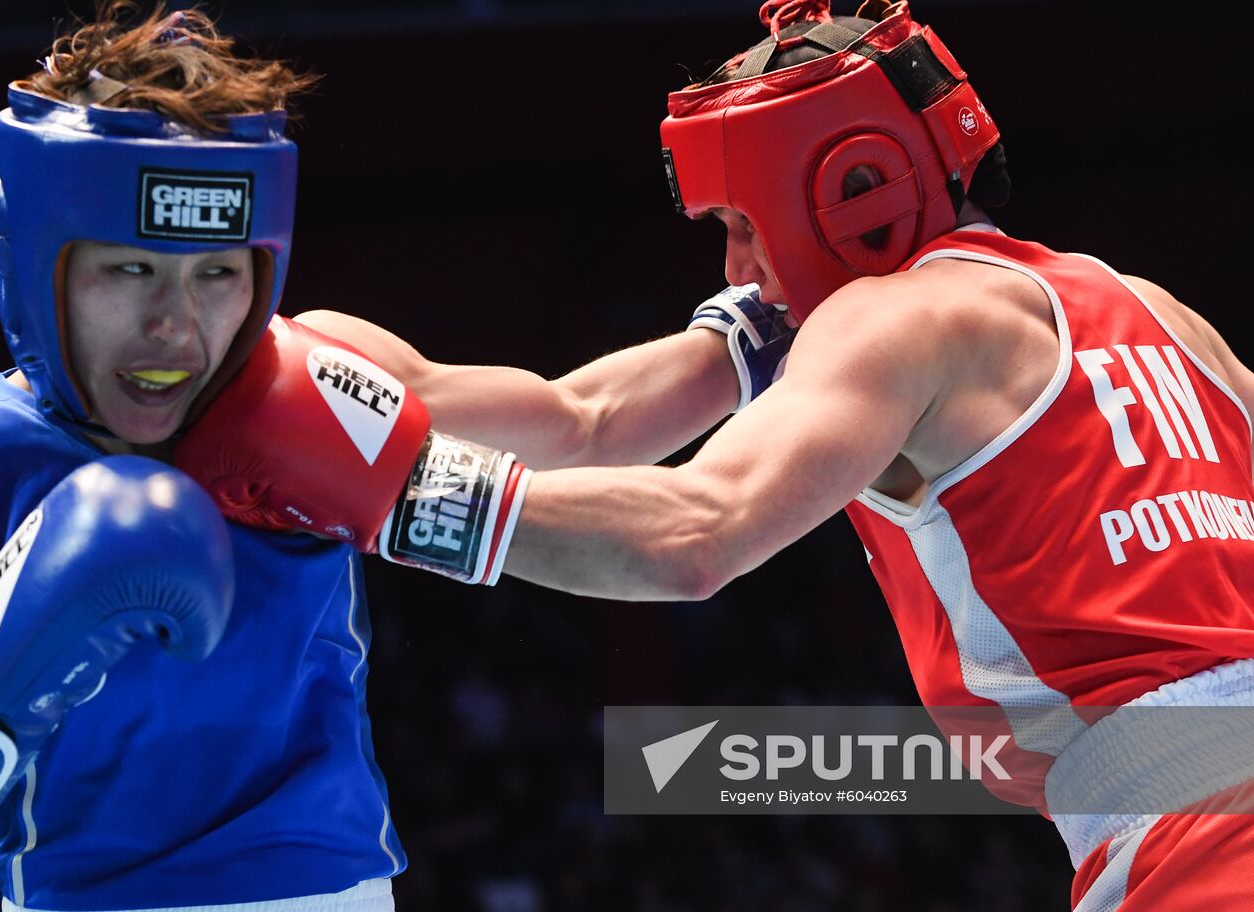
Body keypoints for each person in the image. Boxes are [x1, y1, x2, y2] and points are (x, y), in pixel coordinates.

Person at [183, 1, 1254, 908]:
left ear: (852, 188)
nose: (735, 264)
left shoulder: (886, 321)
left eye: (740, 222)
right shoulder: (1161, 317)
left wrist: (390, 495)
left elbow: (693, 536)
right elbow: (579, 420)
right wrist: (285, 363)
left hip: (1200, 839)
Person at [0, 3, 791, 910]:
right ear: (39, 262)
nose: (175, 328)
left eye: (217, 273)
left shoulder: (327, 381)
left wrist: (787, 299)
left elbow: (584, 424)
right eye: (130, 269)